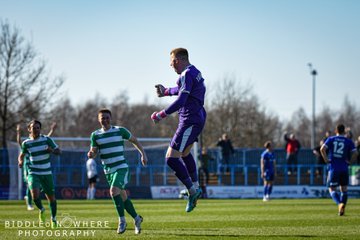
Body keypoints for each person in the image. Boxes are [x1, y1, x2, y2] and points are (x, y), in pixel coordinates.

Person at [151, 47, 206, 212]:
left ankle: (192, 190)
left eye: (172, 61)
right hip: (197, 117)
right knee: (185, 154)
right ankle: (195, 186)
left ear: (179, 60)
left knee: (171, 158)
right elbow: (182, 90)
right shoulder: (194, 71)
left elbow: (182, 99)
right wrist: (166, 91)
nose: (171, 65)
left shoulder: (187, 74)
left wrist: (161, 114)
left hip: (189, 119)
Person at [88, 108, 147, 234]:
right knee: (122, 196)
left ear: (111, 118)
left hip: (121, 167)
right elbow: (94, 152)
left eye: (107, 117)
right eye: (102, 118)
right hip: (108, 170)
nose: (105, 120)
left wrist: (143, 154)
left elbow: (134, 140)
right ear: (99, 120)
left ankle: (122, 221)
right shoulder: (95, 135)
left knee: (113, 191)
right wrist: (91, 154)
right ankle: (137, 219)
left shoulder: (120, 130)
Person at [18, 120, 61, 228]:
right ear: (29, 129)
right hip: (33, 172)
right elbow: (22, 155)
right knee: (34, 195)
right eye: (34, 128)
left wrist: (51, 150)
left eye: (38, 128)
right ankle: (42, 209)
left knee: (51, 198)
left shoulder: (47, 139)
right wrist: (20, 161)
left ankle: (53, 219)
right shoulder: (26, 143)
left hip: (46, 173)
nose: (36, 129)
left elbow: (59, 152)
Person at [320, 124, 358, 216]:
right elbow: (356, 153)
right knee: (344, 189)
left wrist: (325, 160)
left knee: (331, 189)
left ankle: (339, 204)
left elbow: (322, 149)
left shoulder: (331, 139)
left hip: (333, 168)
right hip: (344, 168)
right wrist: (350, 162)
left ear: (336, 131)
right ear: (344, 131)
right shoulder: (348, 141)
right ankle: (342, 209)